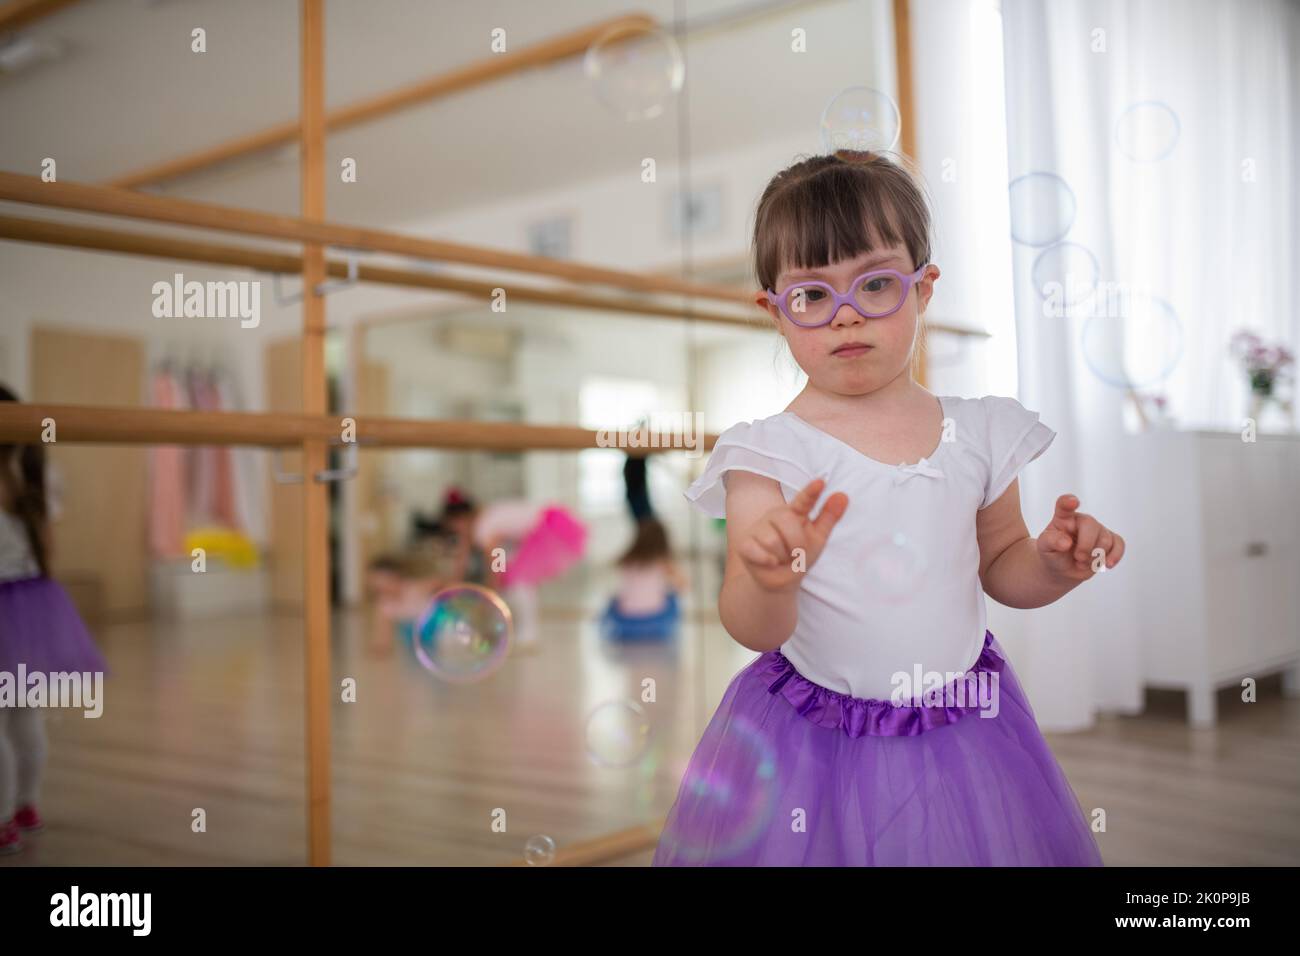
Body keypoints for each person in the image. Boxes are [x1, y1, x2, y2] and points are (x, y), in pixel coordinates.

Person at [653, 151, 1124, 866]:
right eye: (813, 296)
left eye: (875, 284)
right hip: (810, 740)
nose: (845, 316)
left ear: (923, 289)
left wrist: (1056, 566)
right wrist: (770, 579)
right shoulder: (765, 455)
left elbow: (1004, 568)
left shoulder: (981, 431)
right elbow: (751, 626)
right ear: (774, 312)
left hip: (962, 729)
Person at [0, 384, 108, 855]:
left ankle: (2, 820)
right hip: (31, 602)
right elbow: (48, 544)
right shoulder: (36, 473)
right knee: (26, 715)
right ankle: (26, 805)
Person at [601, 517, 686, 641]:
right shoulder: (663, 562)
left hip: (625, 618)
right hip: (655, 619)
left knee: (615, 598)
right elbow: (683, 585)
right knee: (672, 598)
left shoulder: (627, 560)